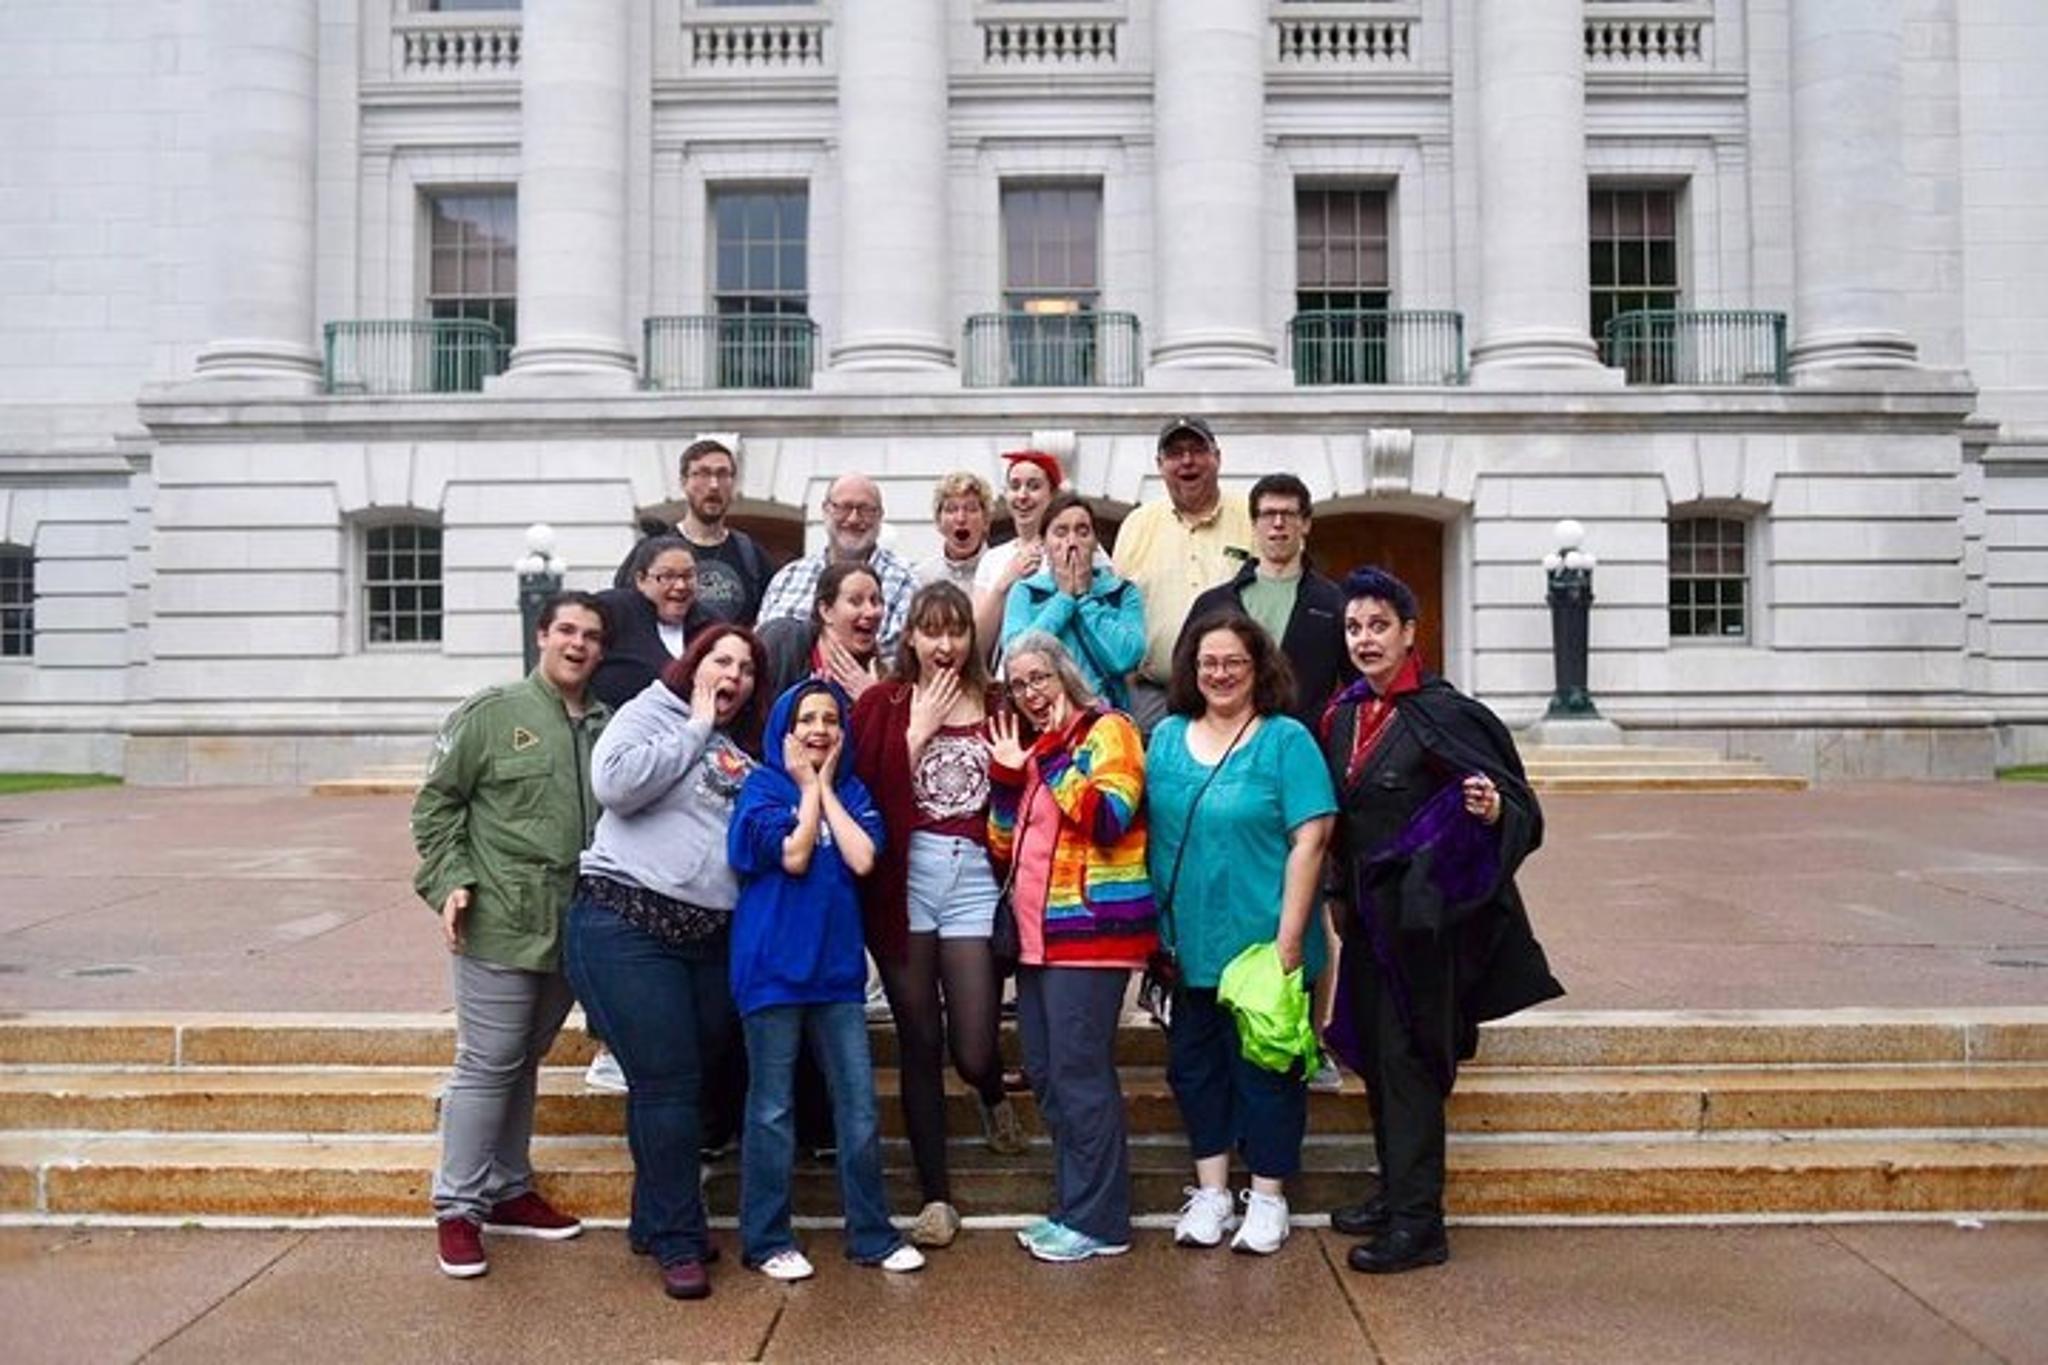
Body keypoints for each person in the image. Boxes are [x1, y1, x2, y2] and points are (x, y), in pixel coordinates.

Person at [1319, 567, 1563, 1274]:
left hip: (1424, 929)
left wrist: (1491, 810)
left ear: (1408, 633)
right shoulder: (1342, 716)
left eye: (1378, 626)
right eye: (1354, 627)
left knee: (1410, 1063)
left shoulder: (1446, 714)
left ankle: (1419, 1223)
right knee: (1375, 1055)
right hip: (1365, 922)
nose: (1365, 639)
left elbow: (1519, 808)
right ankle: (1394, 1193)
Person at [564, 624, 768, 1301]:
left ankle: (652, 1218)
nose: (732, 674)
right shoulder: (651, 712)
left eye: (746, 667)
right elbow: (615, 784)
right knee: (669, 1082)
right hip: (625, 921)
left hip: (706, 936)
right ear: (694, 663)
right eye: (721, 660)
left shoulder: (741, 747)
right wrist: (695, 725)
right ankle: (680, 1239)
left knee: (672, 1079)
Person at [411, 591, 610, 1280]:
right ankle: (458, 1206)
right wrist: (451, 880)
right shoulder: (493, 713)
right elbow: (436, 805)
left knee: (523, 1057)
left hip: (571, 923)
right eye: (567, 630)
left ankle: (508, 1186)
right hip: (499, 915)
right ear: (541, 636)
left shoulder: (607, 725)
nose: (578, 644)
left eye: (591, 635)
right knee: (488, 1060)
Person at [1146, 611, 1335, 1255]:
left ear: (1259, 669)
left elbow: (1311, 839)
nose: (1220, 674)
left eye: (1234, 662)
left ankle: (1268, 1197)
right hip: (1185, 945)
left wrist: (1290, 941)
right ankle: (1212, 1194)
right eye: (1208, 663)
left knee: (1267, 1075)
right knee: (1194, 1071)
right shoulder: (1165, 738)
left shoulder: (1286, 741)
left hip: (1264, 944)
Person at [726, 679, 926, 1281]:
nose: (819, 730)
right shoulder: (762, 788)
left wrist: (827, 789)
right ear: (785, 730)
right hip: (771, 972)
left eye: (831, 719)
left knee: (859, 1108)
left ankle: (872, 1235)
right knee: (771, 1109)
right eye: (807, 719)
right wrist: (808, 787)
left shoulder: (855, 792)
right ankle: (767, 1240)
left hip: (836, 975)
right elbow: (793, 855)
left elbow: (862, 858)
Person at [850, 582, 1028, 1250]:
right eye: (932, 631)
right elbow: (864, 794)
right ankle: (936, 1198)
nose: (945, 644)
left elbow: (1022, 795)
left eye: (956, 630)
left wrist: (1009, 773)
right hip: (906, 879)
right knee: (919, 1039)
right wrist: (916, 734)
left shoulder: (1000, 702)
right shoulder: (884, 701)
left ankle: (990, 1089)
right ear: (911, 638)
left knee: (974, 1045)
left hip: (974, 876)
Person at [986, 631, 1154, 1264]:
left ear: (1065, 674)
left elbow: (1108, 818)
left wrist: (1054, 755)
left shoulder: (1108, 730)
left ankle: (1100, 1221)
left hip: (1090, 938)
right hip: (1036, 943)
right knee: (1046, 1074)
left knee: (1080, 1076)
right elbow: (1002, 848)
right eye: (1018, 684)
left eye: (1039, 677)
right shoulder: (1037, 749)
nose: (1030, 693)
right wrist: (1009, 781)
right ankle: (1072, 1207)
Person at [1112, 416, 1255, 732]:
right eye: (1175, 453)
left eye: (1197, 450)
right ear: (1159, 465)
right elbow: (1115, 609)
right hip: (1154, 697)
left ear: (1217, 457)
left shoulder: (1251, 516)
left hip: (1237, 695)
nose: (1187, 461)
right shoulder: (1137, 524)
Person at [1179, 474, 1353, 734]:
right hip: (1223, 746)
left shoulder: (1333, 603)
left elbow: (1358, 684)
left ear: (1306, 524)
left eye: (1288, 514)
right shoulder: (1213, 604)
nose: (1278, 524)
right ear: (1254, 524)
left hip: (1307, 746)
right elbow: (1184, 683)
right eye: (1269, 514)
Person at [999, 492, 1146, 711]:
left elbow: (1124, 659)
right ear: (1044, 543)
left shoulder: (1122, 592)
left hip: (1104, 717)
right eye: (1060, 532)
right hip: (1043, 714)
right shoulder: (1026, 592)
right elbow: (1017, 657)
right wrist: (1064, 599)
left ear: (1095, 543)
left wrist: (1085, 598)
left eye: (1082, 532)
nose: (1072, 542)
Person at [614, 437, 774, 625]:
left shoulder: (752, 556)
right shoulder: (650, 551)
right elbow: (624, 614)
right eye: (702, 474)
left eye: (723, 474)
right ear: (684, 482)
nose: (714, 485)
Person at [757, 472, 918, 655]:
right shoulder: (787, 578)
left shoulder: (905, 582)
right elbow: (761, 648)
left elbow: (901, 658)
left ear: (880, 516)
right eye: (844, 507)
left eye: (865, 509)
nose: (853, 519)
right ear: (826, 510)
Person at [593, 536, 715, 712]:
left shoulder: (711, 625)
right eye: (667, 576)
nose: (680, 585)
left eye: (688, 576)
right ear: (641, 580)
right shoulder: (613, 611)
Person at [758, 559, 888, 704]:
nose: (871, 612)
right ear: (826, 611)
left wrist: (871, 699)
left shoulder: (881, 679)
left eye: (875, 601)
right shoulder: (782, 641)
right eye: (855, 601)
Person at [915, 471, 994, 591]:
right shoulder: (922, 577)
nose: (961, 518)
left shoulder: (1000, 571)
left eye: (971, 509)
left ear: (986, 520)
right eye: (951, 509)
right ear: (938, 521)